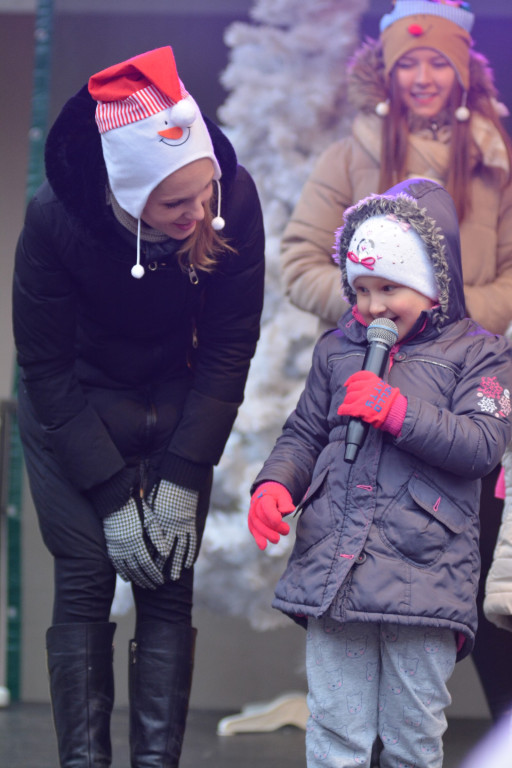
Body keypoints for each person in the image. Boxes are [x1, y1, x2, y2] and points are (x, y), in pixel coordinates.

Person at [12, 46, 265, 767]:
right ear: (126, 194)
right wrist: (115, 496)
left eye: (204, 194)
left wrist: (182, 479)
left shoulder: (231, 201)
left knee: (166, 575)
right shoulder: (56, 220)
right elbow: (47, 370)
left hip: (177, 396)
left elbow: (226, 351)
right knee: (90, 573)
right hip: (74, 406)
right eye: (175, 204)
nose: (199, 213)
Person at [279, 0, 512, 722]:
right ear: (384, 70)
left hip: (473, 374)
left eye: (436, 60)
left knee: (478, 564)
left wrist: (465, 321)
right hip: (374, 375)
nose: (421, 76)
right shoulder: (353, 150)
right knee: (375, 557)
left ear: (461, 69)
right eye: (406, 62)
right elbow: (297, 258)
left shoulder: (495, 148)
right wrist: (368, 303)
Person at [248, 177, 512, 768]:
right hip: (334, 571)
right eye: (360, 289)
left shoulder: (481, 353)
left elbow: (482, 443)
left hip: (425, 575)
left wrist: (398, 411)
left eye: (389, 288)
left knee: (411, 740)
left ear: (432, 283)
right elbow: (305, 433)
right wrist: (274, 484)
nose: (371, 308)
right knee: (335, 734)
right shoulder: (337, 349)